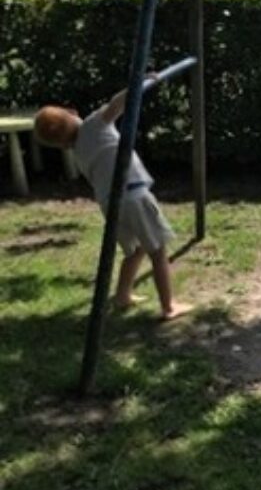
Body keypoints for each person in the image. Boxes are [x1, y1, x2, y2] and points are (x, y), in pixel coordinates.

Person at [33, 82, 192, 320]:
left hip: (110, 204)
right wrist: (141, 82)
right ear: (71, 112)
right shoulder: (94, 124)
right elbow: (117, 104)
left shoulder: (78, 151)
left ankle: (122, 295)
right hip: (134, 194)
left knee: (135, 250)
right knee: (157, 251)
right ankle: (168, 306)